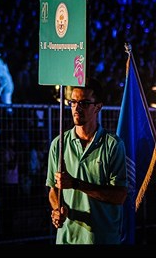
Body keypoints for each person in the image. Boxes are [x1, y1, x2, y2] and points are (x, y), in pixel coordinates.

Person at [45, 77, 127, 244]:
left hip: (102, 238)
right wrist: (57, 209)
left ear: (98, 107)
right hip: (68, 237)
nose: (76, 108)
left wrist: (76, 184)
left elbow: (119, 196)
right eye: (73, 102)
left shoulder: (113, 145)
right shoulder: (59, 143)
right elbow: (53, 189)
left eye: (84, 103)